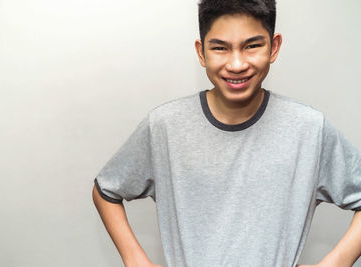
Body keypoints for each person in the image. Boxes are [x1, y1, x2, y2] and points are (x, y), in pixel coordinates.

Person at [92, 0, 361, 266]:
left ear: (274, 47)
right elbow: (106, 190)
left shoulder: (309, 129)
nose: (236, 64)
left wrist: (336, 262)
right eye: (220, 48)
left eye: (252, 46)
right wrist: (135, 259)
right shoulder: (164, 126)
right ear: (201, 52)